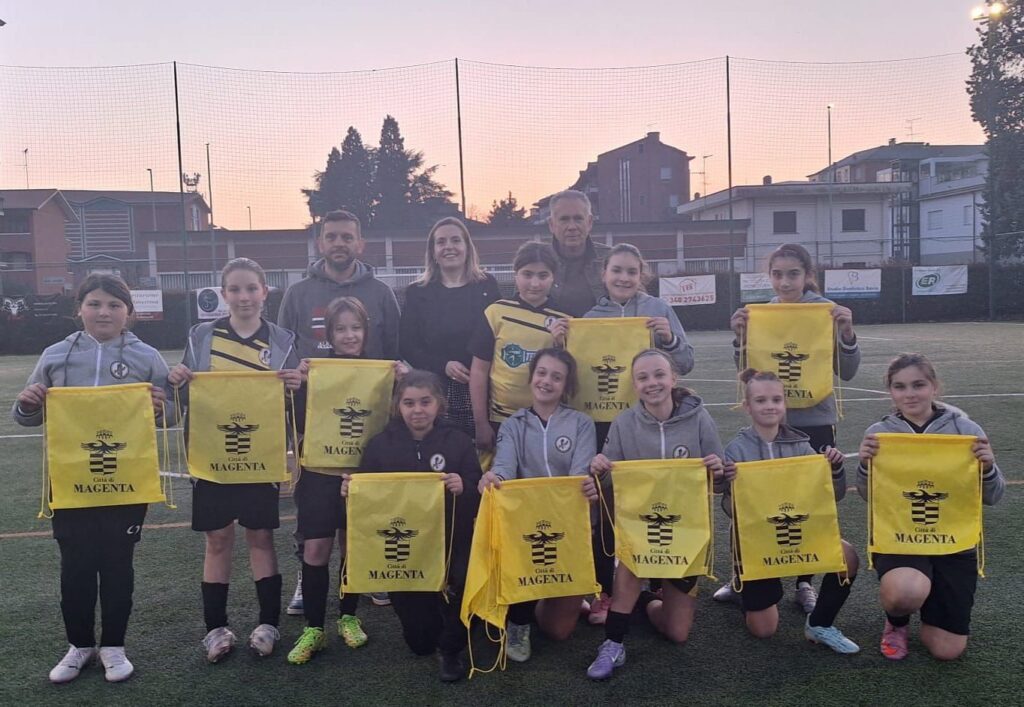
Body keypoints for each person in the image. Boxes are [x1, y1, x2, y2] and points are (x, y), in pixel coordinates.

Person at [13, 274, 172, 684]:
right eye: (96, 304)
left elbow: (173, 416)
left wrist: (161, 408)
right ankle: (79, 644)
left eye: (114, 305)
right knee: (76, 566)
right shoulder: (55, 355)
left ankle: (115, 646)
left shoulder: (148, 357)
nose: (104, 312)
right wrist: (28, 402)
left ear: (128, 313)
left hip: (127, 480)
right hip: (69, 481)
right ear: (79, 308)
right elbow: (26, 415)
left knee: (118, 564)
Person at [166, 258, 303, 662]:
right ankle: (215, 628)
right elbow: (185, 395)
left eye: (251, 288)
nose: (244, 297)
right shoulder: (201, 335)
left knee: (260, 536)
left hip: (259, 455)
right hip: (212, 453)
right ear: (223, 295)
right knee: (218, 538)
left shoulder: (282, 339)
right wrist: (178, 380)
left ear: (265, 291)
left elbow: (293, 401)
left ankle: (268, 624)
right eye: (235, 290)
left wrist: (296, 384)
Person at [719, 242, 860, 613]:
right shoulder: (761, 314)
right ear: (769, 276)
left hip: (814, 420)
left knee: (806, 504)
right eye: (777, 274)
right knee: (754, 501)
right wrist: (740, 338)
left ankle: (804, 582)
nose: (784, 281)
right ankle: (743, 577)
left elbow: (847, 372)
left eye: (793, 273)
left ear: (808, 276)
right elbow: (747, 372)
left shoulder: (826, 312)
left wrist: (846, 334)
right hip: (768, 425)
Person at [278, 209, 401, 616]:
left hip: (368, 417)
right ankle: (305, 576)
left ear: (359, 243)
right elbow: (283, 350)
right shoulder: (297, 293)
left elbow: (393, 349)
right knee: (314, 509)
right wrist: (295, 378)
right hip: (315, 420)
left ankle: (366, 573)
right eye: (332, 236)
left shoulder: (381, 292)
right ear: (320, 243)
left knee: (363, 504)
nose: (339, 243)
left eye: (347, 237)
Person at [585, 349, 724, 681]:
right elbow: (606, 482)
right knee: (631, 563)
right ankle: (613, 642)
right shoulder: (623, 423)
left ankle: (645, 599)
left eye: (659, 374)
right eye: (643, 377)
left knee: (676, 633)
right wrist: (599, 468)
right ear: (634, 384)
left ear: (673, 378)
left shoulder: (700, 418)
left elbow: (719, 480)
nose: (652, 383)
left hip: (685, 529)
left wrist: (718, 470)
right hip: (639, 527)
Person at [857, 353, 1004, 661]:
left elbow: (993, 496)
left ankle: (933, 601)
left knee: (947, 651)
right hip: (901, 538)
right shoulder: (880, 432)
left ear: (934, 387)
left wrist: (988, 467)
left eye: (918, 384)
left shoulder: (966, 429)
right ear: (891, 392)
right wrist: (865, 466)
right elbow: (868, 496)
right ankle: (897, 621)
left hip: (953, 542)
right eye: (900, 386)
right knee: (904, 592)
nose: (909, 393)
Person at [287, 296, 408, 665]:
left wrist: (404, 377)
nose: (349, 335)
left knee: (351, 548)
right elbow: (295, 416)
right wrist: (296, 383)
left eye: (356, 328)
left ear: (366, 332)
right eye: (341, 328)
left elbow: (405, 410)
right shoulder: (315, 370)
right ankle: (314, 628)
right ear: (329, 334)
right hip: (319, 474)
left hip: (360, 476)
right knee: (315, 550)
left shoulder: (382, 371)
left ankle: (348, 617)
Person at [581, 243, 696, 624]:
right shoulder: (591, 316)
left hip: (652, 422)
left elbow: (686, 363)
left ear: (641, 274)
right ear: (604, 273)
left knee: (657, 501)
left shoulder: (659, 309)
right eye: (617, 270)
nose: (624, 277)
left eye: (631, 271)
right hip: (604, 422)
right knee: (606, 504)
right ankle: (606, 587)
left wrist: (669, 340)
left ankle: (659, 579)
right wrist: (561, 337)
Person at [344, 370, 482, 682]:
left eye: (425, 402)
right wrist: (350, 491)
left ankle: (451, 649)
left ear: (439, 404)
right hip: (404, 547)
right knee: (420, 643)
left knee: (462, 581)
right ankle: (439, 615)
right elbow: (365, 499)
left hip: (451, 541)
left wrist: (465, 485)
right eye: (409, 403)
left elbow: (477, 489)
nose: (417, 409)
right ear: (397, 406)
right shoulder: (380, 445)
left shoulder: (458, 441)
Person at [721, 368, 860, 654]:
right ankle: (742, 587)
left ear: (785, 403)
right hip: (757, 539)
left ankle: (820, 623)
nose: (769, 406)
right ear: (748, 406)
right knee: (763, 630)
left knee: (848, 557)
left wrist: (833, 469)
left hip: (798, 530)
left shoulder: (801, 444)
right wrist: (729, 485)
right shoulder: (736, 450)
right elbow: (728, 510)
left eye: (776, 399)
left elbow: (831, 496)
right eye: (760, 401)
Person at [477, 348, 598, 663]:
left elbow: (579, 475)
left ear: (566, 385)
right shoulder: (513, 425)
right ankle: (518, 622)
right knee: (524, 559)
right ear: (531, 377)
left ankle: (561, 597)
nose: (547, 381)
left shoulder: (582, 423)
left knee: (559, 632)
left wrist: (586, 486)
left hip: (567, 522)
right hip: (526, 522)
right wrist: (492, 477)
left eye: (556, 377)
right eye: (542, 373)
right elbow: (504, 466)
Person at [400, 217, 500, 435]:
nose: (449, 247)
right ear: (433, 251)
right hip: (436, 391)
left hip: (484, 390)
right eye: (441, 242)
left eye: (456, 240)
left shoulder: (487, 286)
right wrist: (443, 365)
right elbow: (407, 345)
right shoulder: (418, 292)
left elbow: (498, 335)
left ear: (467, 247)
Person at [468, 241, 569, 451]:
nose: (534, 283)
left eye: (543, 276)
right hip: (501, 419)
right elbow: (478, 371)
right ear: (516, 275)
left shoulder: (566, 320)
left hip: (548, 421)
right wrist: (481, 423)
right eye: (527, 274)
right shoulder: (496, 313)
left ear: (553, 278)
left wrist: (565, 344)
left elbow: (572, 373)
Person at [546, 189, 611, 317]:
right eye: (564, 219)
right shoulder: (536, 261)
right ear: (551, 224)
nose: (572, 227)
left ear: (590, 222)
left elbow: (637, 302)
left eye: (578, 219)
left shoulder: (612, 260)